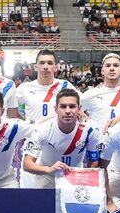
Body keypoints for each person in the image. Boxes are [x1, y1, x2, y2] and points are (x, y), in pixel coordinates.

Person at [16, 49, 79, 188]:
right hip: (34, 144)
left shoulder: (65, 86)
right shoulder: (24, 88)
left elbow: (79, 110)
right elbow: (14, 112)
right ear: (35, 66)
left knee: (63, 192)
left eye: (50, 63)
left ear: (55, 67)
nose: (46, 66)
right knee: (31, 193)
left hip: (60, 145)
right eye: (42, 63)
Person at [23, 89, 102, 188]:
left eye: (72, 106)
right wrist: (49, 169)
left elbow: (94, 161)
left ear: (79, 108)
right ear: (56, 109)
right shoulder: (42, 129)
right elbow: (27, 164)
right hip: (47, 176)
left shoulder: (90, 130)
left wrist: (85, 178)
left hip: (75, 177)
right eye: (63, 107)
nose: (68, 111)